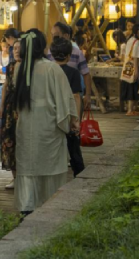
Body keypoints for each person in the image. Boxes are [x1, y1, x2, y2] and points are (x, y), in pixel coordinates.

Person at [14, 30, 78, 215]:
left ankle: (27, 205)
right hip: (48, 124)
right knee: (49, 165)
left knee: (28, 165)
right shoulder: (51, 68)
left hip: (26, 125)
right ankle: (50, 205)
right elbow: (66, 98)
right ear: (43, 47)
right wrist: (73, 120)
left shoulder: (19, 68)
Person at [50, 37, 85, 178]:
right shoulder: (73, 72)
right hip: (67, 113)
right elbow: (76, 96)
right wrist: (76, 118)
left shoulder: (48, 71)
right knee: (73, 146)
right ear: (69, 55)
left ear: (52, 55)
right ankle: (79, 175)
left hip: (51, 113)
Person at [47, 22, 94, 113]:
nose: (53, 38)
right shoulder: (49, 52)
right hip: (53, 98)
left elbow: (86, 74)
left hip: (73, 97)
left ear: (66, 36)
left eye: (56, 36)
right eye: (52, 35)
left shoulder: (76, 52)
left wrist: (88, 95)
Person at [0, 42, 22, 189]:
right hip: (10, 105)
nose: (16, 51)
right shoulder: (11, 66)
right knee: (8, 139)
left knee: (21, 140)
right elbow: (6, 86)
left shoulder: (30, 67)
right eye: (15, 49)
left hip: (22, 106)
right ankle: (14, 177)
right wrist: (1, 106)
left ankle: (23, 176)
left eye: (20, 48)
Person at [121, 23, 139, 116]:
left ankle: (130, 108)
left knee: (128, 84)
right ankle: (130, 110)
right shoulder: (137, 42)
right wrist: (137, 70)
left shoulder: (130, 39)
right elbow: (135, 57)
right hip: (134, 65)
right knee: (133, 86)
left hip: (127, 65)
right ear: (138, 32)